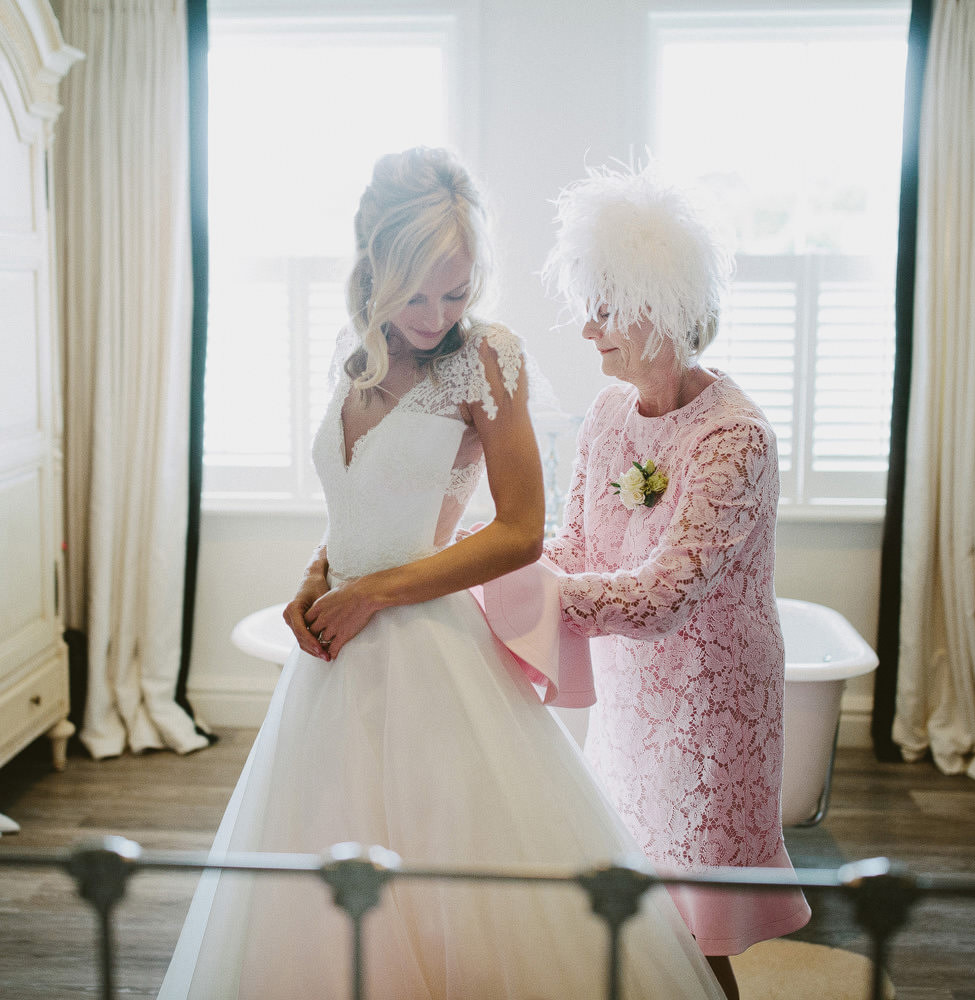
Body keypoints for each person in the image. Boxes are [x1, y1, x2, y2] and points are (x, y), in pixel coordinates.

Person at [159, 147, 725, 1000]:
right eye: (416, 293)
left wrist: (373, 592)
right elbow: (357, 504)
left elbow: (521, 531)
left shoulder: (487, 359)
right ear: (372, 270)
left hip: (427, 646)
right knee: (321, 884)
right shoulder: (355, 360)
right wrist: (317, 576)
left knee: (451, 875)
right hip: (334, 660)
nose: (435, 314)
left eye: (456, 291)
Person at [541, 162, 812, 1000]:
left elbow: (664, 597)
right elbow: (581, 541)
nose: (588, 330)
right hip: (631, 699)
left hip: (708, 708)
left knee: (700, 936)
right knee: (639, 911)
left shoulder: (736, 440)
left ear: (658, 309)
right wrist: (502, 558)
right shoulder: (609, 413)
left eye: (606, 308)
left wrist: (537, 596)